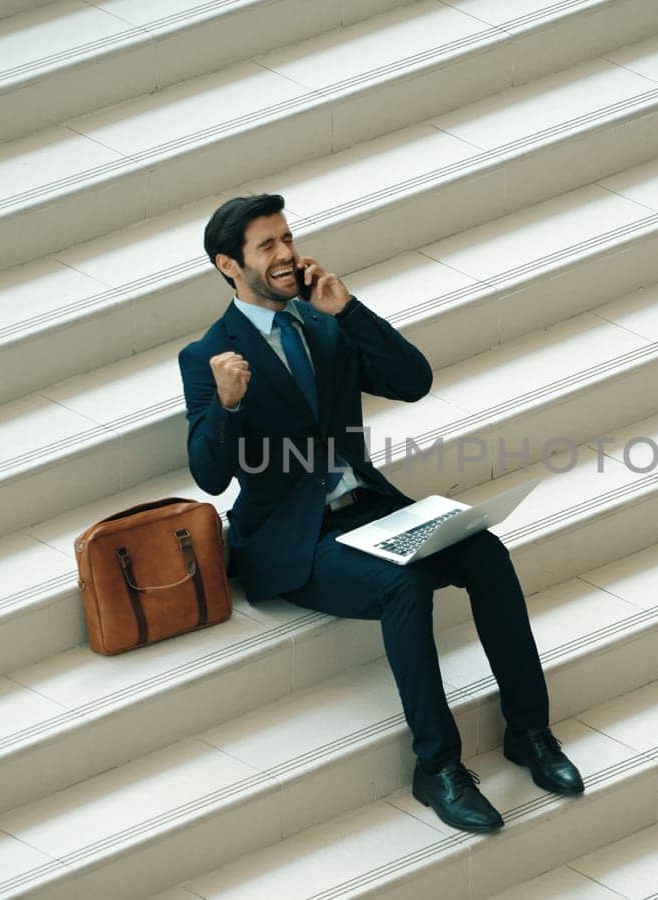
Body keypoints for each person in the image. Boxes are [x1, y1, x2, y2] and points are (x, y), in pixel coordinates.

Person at [177, 193, 583, 834]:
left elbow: (413, 380)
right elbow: (209, 475)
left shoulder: (322, 322)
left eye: (287, 238)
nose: (286, 254)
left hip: (367, 509)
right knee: (403, 582)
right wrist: (226, 406)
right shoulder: (209, 357)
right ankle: (438, 768)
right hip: (293, 541)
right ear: (230, 265)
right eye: (267, 246)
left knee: (486, 552)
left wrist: (349, 310)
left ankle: (528, 731)